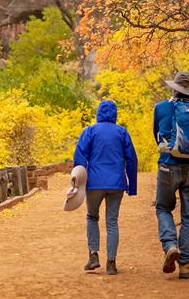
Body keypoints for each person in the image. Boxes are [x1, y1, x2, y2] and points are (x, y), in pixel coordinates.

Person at [153, 71, 189, 279]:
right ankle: (184, 265)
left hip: (168, 165)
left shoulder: (161, 108)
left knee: (163, 207)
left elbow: (156, 135)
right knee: (188, 216)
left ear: (174, 87)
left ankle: (169, 246)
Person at [73, 99, 138, 275]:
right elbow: (131, 159)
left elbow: (79, 156)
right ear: (115, 114)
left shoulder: (90, 131)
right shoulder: (122, 132)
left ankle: (93, 255)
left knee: (92, 217)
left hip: (94, 183)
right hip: (116, 184)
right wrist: (132, 185)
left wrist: (78, 181)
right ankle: (111, 263)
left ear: (98, 113)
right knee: (112, 222)